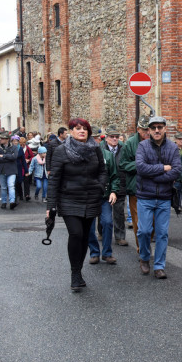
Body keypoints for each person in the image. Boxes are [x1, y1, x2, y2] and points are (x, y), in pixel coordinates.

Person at [47, 118, 109, 291]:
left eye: (85, 129)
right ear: (71, 131)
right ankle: (75, 273)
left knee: (85, 237)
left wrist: (100, 186)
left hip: (91, 198)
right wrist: (50, 206)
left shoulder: (95, 149)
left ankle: (79, 270)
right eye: (77, 128)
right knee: (76, 233)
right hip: (69, 199)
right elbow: (54, 179)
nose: (81, 131)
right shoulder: (61, 151)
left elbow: (102, 171)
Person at [135, 116, 181, 278]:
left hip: (164, 197)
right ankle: (145, 257)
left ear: (165, 129)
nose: (156, 130)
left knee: (162, 233)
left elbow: (176, 170)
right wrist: (163, 168)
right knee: (144, 231)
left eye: (160, 127)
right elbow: (140, 168)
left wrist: (155, 176)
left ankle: (159, 266)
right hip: (145, 196)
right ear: (148, 130)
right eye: (153, 127)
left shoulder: (173, 147)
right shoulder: (142, 146)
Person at [119, 115, 150, 251]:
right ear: (138, 129)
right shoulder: (130, 143)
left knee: (153, 221)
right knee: (138, 221)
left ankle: (146, 242)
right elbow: (123, 165)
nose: (147, 132)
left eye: (149, 129)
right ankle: (141, 247)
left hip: (154, 187)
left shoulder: (158, 140)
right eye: (144, 129)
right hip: (136, 187)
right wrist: (140, 165)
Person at [88, 134, 120, 265]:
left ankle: (107, 253)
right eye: (92, 137)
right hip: (88, 197)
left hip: (104, 196)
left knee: (107, 222)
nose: (95, 140)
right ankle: (94, 252)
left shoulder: (107, 155)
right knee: (89, 227)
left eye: (97, 137)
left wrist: (113, 191)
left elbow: (114, 176)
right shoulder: (84, 154)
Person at [101, 125, 127, 246]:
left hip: (120, 184)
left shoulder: (123, 149)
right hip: (104, 186)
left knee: (119, 212)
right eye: (112, 137)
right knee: (103, 212)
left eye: (117, 137)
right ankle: (101, 232)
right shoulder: (100, 149)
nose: (115, 139)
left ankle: (120, 236)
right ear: (106, 138)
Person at [0, 132, 19, 210]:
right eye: (0, 138)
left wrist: (4, 156)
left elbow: (15, 157)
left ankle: (12, 202)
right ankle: (4, 202)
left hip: (12, 169)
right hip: (1, 169)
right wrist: (8, 157)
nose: (0, 140)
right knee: (3, 187)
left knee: (11, 186)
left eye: (3, 138)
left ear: (7, 139)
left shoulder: (14, 147)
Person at [11, 136, 29, 201]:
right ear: (12, 142)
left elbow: (23, 160)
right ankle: (15, 197)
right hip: (12, 167)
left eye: (16, 141)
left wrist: (26, 170)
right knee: (14, 183)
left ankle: (20, 194)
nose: (15, 142)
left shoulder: (20, 149)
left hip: (19, 167)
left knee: (19, 182)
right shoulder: (10, 148)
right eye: (14, 141)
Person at [19, 137, 34, 201]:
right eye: (21, 144)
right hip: (19, 167)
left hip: (26, 167)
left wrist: (28, 160)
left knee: (26, 181)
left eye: (23, 144)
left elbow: (32, 156)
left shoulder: (28, 149)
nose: (22, 145)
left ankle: (27, 194)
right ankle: (20, 195)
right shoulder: (17, 149)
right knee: (19, 182)